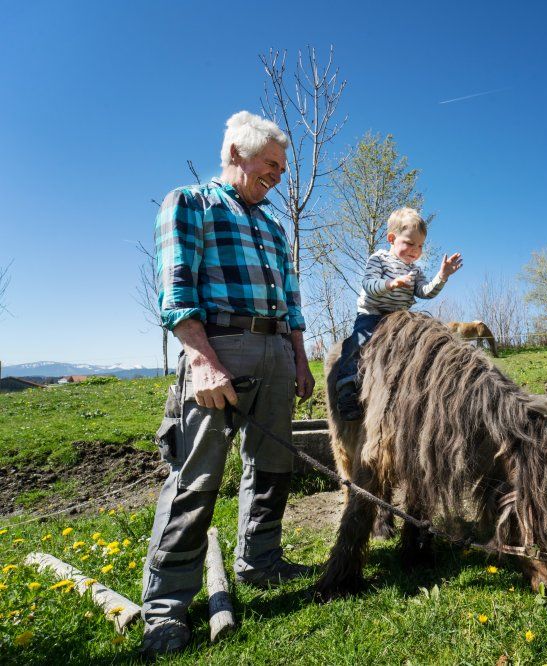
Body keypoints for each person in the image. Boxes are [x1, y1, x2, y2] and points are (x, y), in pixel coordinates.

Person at [141, 110, 316, 656]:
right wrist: (202, 359)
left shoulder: (272, 224)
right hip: (220, 348)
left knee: (271, 468)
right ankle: (166, 608)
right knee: (195, 480)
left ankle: (259, 564)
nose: (279, 175)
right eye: (272, 164)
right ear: (236, 154)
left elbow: (291, 300)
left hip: (275, 351)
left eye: (283, 168)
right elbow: (175, 291)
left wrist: (299, 358)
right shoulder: (189, 203)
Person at [335, 207, 462, 420]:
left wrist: (442, 276)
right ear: (392, 238)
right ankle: (347, 389)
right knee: (357, 343)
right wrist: (390, 283)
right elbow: (368, 284)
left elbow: (424, 292)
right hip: (373, 314)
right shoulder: (379, 259)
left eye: (420, 245)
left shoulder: (415, 270)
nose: (415, 250)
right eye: (410, 243)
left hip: (399, 320)